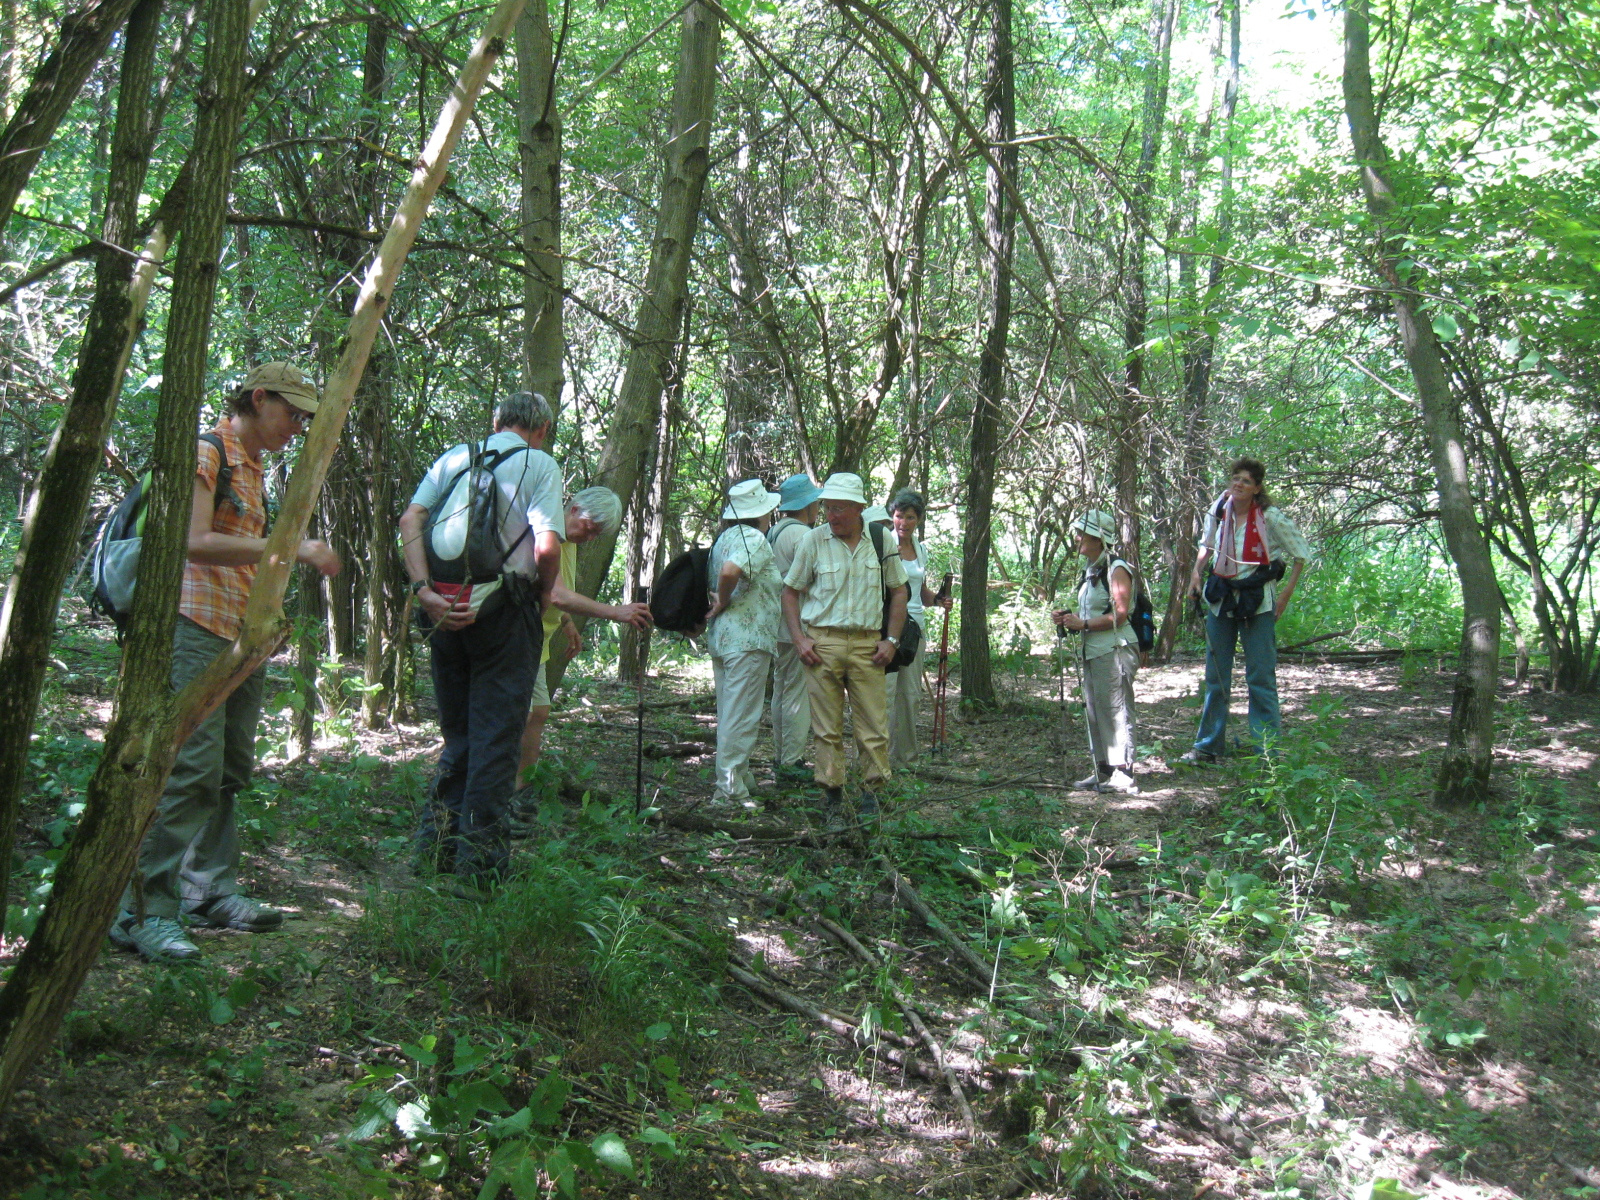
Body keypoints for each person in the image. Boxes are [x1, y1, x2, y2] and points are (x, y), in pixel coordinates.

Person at [110, 363, 342, 962]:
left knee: (229, 768)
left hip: (242, 635)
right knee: (189, 768)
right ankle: (143, 910)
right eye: (290, 413)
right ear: (257, 398)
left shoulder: (256, 466)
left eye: (303, 418)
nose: (296, 426)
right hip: (194, 628)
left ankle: (206, 891)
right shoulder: (206, 452)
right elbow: (193, 540)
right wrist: (293, 547)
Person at [399, 391, 564, 897]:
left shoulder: (455, 455)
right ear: (541, 430)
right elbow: (548, 544)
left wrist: (424, 592)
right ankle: (480, 871)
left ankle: (435, 850)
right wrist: (543, 593)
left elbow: (410, 521)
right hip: (504, 614)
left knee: (460, 735)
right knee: (496, 739)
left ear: (497, 421)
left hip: (444, 609)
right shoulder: (540, 463)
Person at [782, 472, 908, 820]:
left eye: (839, 508)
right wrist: (799, 638)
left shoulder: (881, 541)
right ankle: (832, 794)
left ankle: (873, 794)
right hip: (823, 643)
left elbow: (899, 591)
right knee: (826, 727)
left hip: (869, 646)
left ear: (859, 509)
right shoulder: (813, 542)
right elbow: (790, 591)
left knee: (873, 725)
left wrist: (892, 640)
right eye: (827, 508)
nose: (831, 516)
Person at [514, 486, 652, 797]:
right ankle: (496, 791)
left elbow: (548, 587)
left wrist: (565, 624)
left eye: (595, 536)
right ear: (574, 510)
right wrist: (616, 612)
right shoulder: (546, 533)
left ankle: (521, 789)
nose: (588, 538)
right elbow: (557, 594)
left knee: (538, 712)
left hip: (540, 638)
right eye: (588, 529)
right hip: (518, 636)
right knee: (519, 715)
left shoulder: (569, 540)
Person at [1180, 457, 1312, 763]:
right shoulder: (1220, 509)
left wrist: (1284, 597)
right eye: (1235, 478)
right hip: (1221, 598)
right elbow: (1207, 543)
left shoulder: (1271, 517)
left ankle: (1266, 751)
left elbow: (1300, 555)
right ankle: (1208, 746)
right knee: (1216, 677)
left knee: (1260, 677)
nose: (1238, 484)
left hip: (1259, 602)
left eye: (1246, 481)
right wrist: (1197, 572)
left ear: (1257, 488)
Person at [1051, 510, 1140, 794]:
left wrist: (1084, 623)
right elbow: (1095, 610)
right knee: (1095, 708)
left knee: (1115, 708)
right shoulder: (1092, 569)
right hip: (1094, 649)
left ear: (1098, 538)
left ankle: (1123, 773)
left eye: (1081, 533)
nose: (1076, 538)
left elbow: (1121, 614)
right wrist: (1071, 618)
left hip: (1115, 648)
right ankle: (1103, 768)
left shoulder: (1116, 569)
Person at [707, 479, 784, 805]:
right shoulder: (754, 539)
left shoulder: (725, 538)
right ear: (762, 512)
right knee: (742, 715)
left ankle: (741, 775)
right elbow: (729, 572)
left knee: (731, 712)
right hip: (747, 640)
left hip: (727, 638)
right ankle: (728, 790)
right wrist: (723, 600)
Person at [883, 490, 951, 767]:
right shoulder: (882, 544)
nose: (904, 523)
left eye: (910, 517)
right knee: (884, 695)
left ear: (919, 519)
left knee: (909, 696)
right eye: (899, 516)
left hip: (914, 630)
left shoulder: (920, 548)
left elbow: (918, 590)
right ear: (892, 516)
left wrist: (936, 600)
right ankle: (880, 760)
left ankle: (907, 758)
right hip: (885, 627)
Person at [767, 473, 821, 781]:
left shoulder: (775, 531)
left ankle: (781, 754)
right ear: (807, 505)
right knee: (798, 692)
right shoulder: (802, 535)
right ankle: (792, 760)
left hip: (777, 622)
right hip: (798, 623)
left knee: (782, 687)